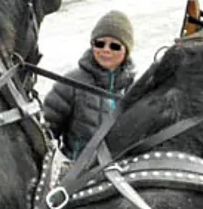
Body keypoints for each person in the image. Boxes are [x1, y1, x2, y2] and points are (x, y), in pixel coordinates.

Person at [43, 10, 136, 159]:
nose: (106, 49)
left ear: (126, 51)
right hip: (77, 175)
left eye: (115, 46)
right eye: (100, 43)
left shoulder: (134, 89)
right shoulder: (71, 83)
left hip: (119, 173)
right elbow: (45, 131)